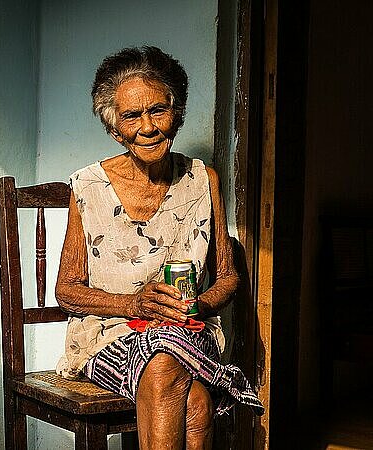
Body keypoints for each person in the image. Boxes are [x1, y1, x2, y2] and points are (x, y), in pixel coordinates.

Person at [55, 46, 264, 449]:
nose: (148, 126)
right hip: (110, 335)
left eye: (158, 110)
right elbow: (67, 291)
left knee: (170, 358)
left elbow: (227, 277)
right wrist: (135, 305)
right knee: (197, 402)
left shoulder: (204, 180)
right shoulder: (87, 187)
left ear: (177, 114)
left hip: (189, 330)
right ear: (115, 129)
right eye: (132, 116)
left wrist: (194, 307)